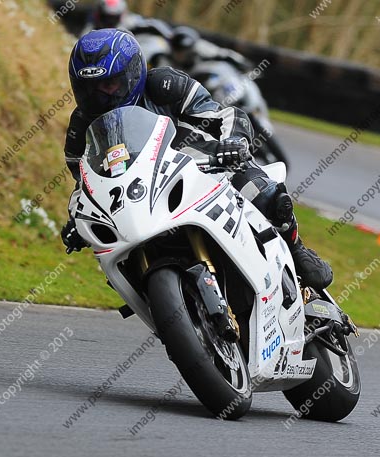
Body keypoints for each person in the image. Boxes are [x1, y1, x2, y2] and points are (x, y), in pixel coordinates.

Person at [60, 29, 333, 291]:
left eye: (108, 85)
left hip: (205, 168)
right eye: (89, 88)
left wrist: (233, 142)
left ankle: (297, 249)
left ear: (132, 75)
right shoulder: (80, 128)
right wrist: (77, 218)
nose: (100, 96)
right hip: (143, 197)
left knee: (261, 191)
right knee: (116, 255)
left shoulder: (164, 85)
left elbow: (224, 115)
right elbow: (85, 182)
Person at [169, 26, 252, 73]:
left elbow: (223, 53)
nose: (180, 54)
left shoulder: (200, 47)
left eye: (184, 50)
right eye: (178, 50)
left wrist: (242, 62)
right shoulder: (166, 59)